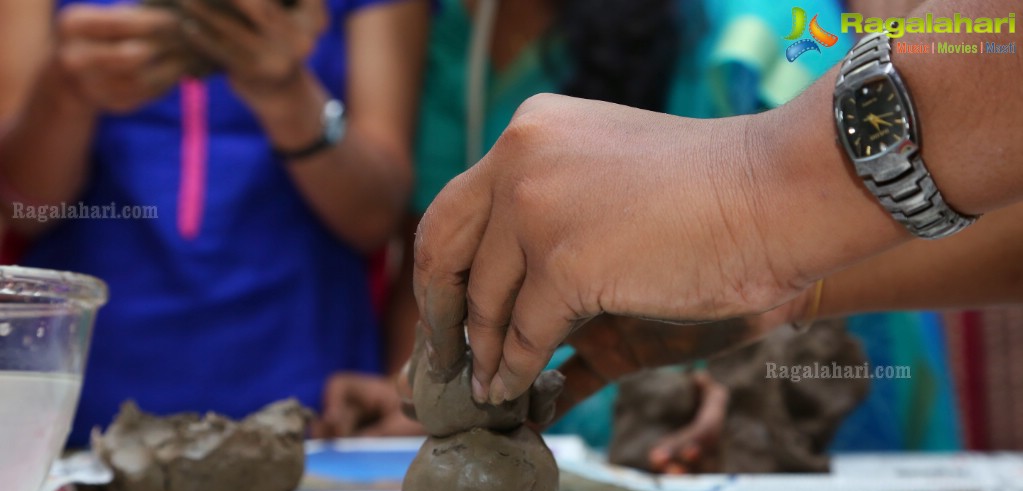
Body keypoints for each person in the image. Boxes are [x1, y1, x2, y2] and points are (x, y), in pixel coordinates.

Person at [319, 0, 964, 464]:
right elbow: (438, 272)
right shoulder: (448, 40)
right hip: (599, 462)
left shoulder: (759, 36)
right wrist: (426, 398)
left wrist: (755, 379)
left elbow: (898, 223)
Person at [0, 0, 428, 446]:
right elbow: (24, 208)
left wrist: (288, 95)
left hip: (310, 406)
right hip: (80, 403)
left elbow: (376, 216)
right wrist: (63, 93)